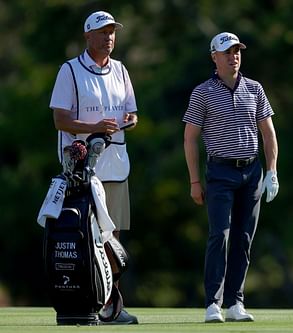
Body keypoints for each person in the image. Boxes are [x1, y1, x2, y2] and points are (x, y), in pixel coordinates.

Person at [183, 32, 279, 323]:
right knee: (219, 236)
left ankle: (235, 302)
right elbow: (189, 139)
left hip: (252, 172)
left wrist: (272, 171)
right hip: (220, 172)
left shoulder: (254, 88)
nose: (233, 56)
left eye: (237, 51)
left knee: (243, 238)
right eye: (227, 52)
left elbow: (268, 133)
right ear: (214, 57)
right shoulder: (203, 92)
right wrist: (195, 182)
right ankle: (213, 303)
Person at [49, 10, 138, 325]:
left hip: (115, 163)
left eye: (112, 31)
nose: (109, 37)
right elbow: (60, 119)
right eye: (102, 32)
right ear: (88, 36)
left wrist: (127, 122)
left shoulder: (121, 70)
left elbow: (131, 113)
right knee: (88, 237)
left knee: (113, 237)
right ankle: (91, 302)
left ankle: (112, 306)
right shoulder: (70, 71)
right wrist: (95, 126)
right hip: (82, 166)